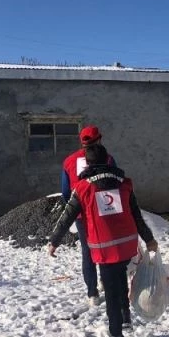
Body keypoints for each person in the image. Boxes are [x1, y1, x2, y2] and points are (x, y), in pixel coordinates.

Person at [49, 144, 157, 337]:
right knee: (121, 279)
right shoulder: (124, 184)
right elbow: (136, 214)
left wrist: (54, 241)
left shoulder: (82, 188)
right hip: (126, 244)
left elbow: (67, 217)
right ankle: (125, 317)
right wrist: (149, 239)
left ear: (87, 164)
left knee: (111, 291)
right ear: (107, 160)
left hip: (105, 248)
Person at [61, 125, 117, 306]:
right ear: (99, 139)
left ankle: (92, 293)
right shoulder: (108, 159)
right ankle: (106, 283)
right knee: (106, 248)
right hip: (105, 211)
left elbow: (65, 192)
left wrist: (75, 208)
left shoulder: (69, 161)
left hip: (81, 215)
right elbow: (116, 184)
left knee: (88, 251)